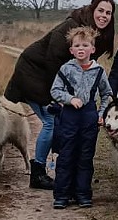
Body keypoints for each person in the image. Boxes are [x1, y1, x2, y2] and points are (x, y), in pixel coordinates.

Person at [4, 0, 115, 190]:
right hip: (34, 73)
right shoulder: (72, 26)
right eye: (100, 10)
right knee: (51, 122)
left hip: (49, 76)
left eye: (108, 13)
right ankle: (37, 173)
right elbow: (52, 60)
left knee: (60, 122)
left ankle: (65, 170)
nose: (104, 15)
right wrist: (57, 96)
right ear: (92, 9)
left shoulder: (94, 33)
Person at [48, 26, 113, 209]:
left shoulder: (99, 71)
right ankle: (62, 194)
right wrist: (69, 99)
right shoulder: (66, 69)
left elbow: (107, 94)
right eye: (77, 45)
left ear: (92, 49)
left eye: (85, 45)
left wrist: (101, 115)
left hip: (89, 116)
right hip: (69, 117)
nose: (81, 49)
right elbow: (55, 90)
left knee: (85, 157)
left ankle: (83, 193)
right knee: (66, 155)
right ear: (71, 50)